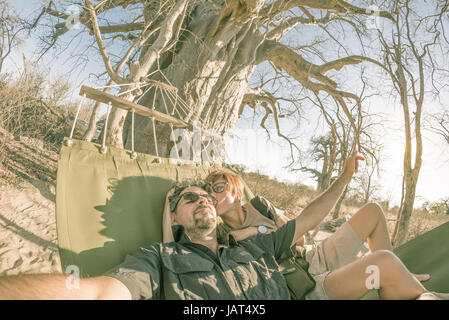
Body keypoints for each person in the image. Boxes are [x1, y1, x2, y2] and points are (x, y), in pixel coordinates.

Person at [0, 152, 446, 299]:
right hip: (307, 277)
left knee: (384, 261)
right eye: (189, 198)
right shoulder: (160, 260)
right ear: (172, 218)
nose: (203, 200)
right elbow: (102, 292)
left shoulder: (254, 245)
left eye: (207, 195)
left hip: (305, 279)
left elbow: (311, 217)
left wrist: (344, 177)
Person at [162, 150, 448, 300]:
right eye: (208, 191)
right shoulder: (219, 235)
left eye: (219, 186)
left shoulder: (260, 204)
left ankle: (401, 275)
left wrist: (346, 175)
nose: (212, 195)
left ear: (237, 190)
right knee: (378, 264)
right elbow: (176, 249)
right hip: (295, 280)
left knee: (373, 211)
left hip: (310, 256)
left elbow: (301, 232)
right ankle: (401, 285)